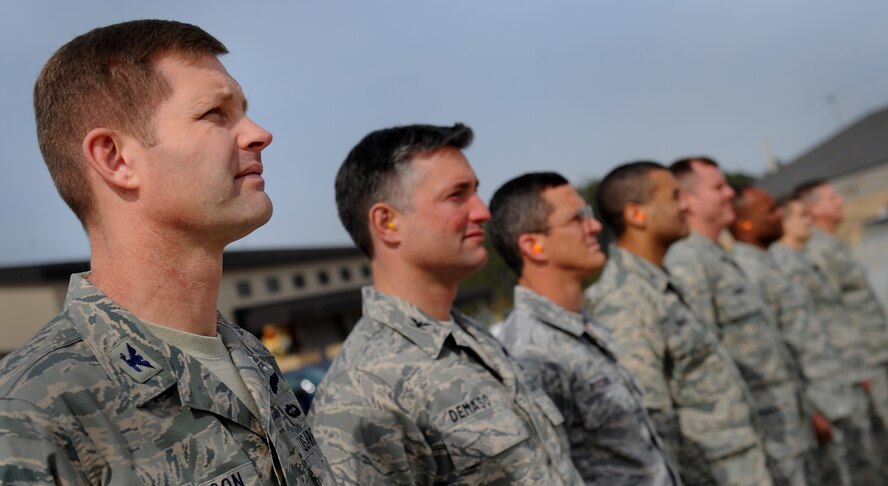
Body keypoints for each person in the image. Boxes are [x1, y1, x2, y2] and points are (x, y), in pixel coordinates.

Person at [0, 20, 333, 484]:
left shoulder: (251, 358)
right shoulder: (33, 412)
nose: (259, 134)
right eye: (215, 113)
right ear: (116, 158)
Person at [307, 124, 581, 485]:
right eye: (457, 196)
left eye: (476, 192)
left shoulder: (471, 339)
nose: (482, 212)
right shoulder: (362, 392)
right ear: (388, 222)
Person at [488, 172, 680, 485]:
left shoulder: (578, 324)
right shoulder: (531, 353)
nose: (594, 226)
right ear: (534, 245)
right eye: (578, 218)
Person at [587, 161, 771, 485]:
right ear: (636, 214)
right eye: (675, 197)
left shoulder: (659, 281)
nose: (686, 205)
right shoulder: (627, 298)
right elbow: (651, 424)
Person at [663, 158, 812, 485]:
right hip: (755, 443)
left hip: (782, 429)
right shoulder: (687, 262)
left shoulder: (716, 255)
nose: (730, 193)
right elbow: (707, 363)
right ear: (687, 199)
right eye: (718, 187)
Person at [730, 187, 877, 485]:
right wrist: (810, 408)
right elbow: (777, 349)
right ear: (745, 224)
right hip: (812, 405)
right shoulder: (750, 271)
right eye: (772, 212)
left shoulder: (768, 262)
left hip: (833, 390)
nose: (779, 218)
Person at [796, 180, 888, 453]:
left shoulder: (832, 244)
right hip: (864, 360)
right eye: (831, 197)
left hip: (876, 352)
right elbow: (830, 314)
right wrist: (856, 365)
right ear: (814, 209)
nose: (840, 201)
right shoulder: (816, 251)